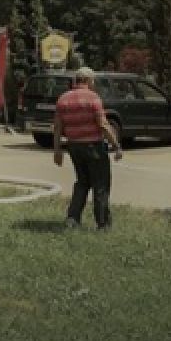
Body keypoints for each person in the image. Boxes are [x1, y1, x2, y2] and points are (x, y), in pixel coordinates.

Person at [53, 66, 123, 230]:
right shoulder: (93, 98)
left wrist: (57, 150)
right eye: (93, 81)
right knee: (101, 184)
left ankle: (73, 218)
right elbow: (103, 125)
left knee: (82, 182)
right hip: (94, 146)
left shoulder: (63, 99)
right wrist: (116, 145)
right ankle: (103, 223)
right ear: (88, 80)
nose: (94, 84)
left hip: (74, 146)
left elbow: (57, 127)